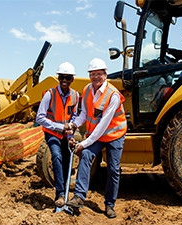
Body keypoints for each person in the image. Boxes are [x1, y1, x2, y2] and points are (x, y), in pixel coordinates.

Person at [65, 58, 127, 219]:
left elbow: (103, 125)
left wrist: (83, 143)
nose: (96, 77)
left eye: (99, 74)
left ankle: (109, 205)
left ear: (105, 75)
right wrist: (73, 125)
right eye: (93, 74)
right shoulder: (86, 90)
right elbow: (84, 114)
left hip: (113, 134)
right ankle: (79, 196)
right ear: (89, 75)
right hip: (97, 135)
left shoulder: (113, 95)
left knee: (113, 169)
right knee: (86, 155)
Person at [35, 62, 79, 208]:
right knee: (57, 156)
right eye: (62, 77)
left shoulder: (75, 95)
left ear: (72, 79)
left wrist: (71, 133)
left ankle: (64, 191)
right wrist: (60, 127)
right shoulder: (50, 94)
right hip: (52, 133)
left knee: (67, 160)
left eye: (68, 77)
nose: (65, 80)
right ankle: (60, 193)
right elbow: (40, 118)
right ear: (58, 78)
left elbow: (73, 116)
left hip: (66, 135)